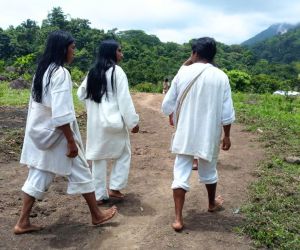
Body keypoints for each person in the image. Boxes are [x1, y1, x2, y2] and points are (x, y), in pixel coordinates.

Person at [14, 30, 117, 235]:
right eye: (72, 47)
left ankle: (23, 221)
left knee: (39, 173)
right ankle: (96, 214)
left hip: (41, 133)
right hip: (57, 134)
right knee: (79, 169)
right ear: (63, 49)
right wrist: (71, 141)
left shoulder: (42, 71)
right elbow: (61, 114)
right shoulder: (60, 73)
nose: (74, 52)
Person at [161, 37, 235, 231]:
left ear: (194, 53)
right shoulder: (221, 76)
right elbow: (227, 112)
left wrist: (187, 62)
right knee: (209, 170)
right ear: (213, 55)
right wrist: (226, 135)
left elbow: (166, 105)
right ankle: (211, 204)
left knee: (181, 171)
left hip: (185, 132)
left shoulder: (183, 72)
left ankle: (178, 218)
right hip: (209, 133)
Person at [77, 39, 139, 205]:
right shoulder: (117, 72)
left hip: (96, 124)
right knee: (124, 153)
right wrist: (133, 122)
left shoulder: (93, 72)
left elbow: (80, 94)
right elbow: (125, 100)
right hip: (114, 123)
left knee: (98, 157)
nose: (122, 54)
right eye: (119, 51)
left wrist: (94, 107)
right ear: (111, 52)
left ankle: (99, 195)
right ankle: (115, 187)